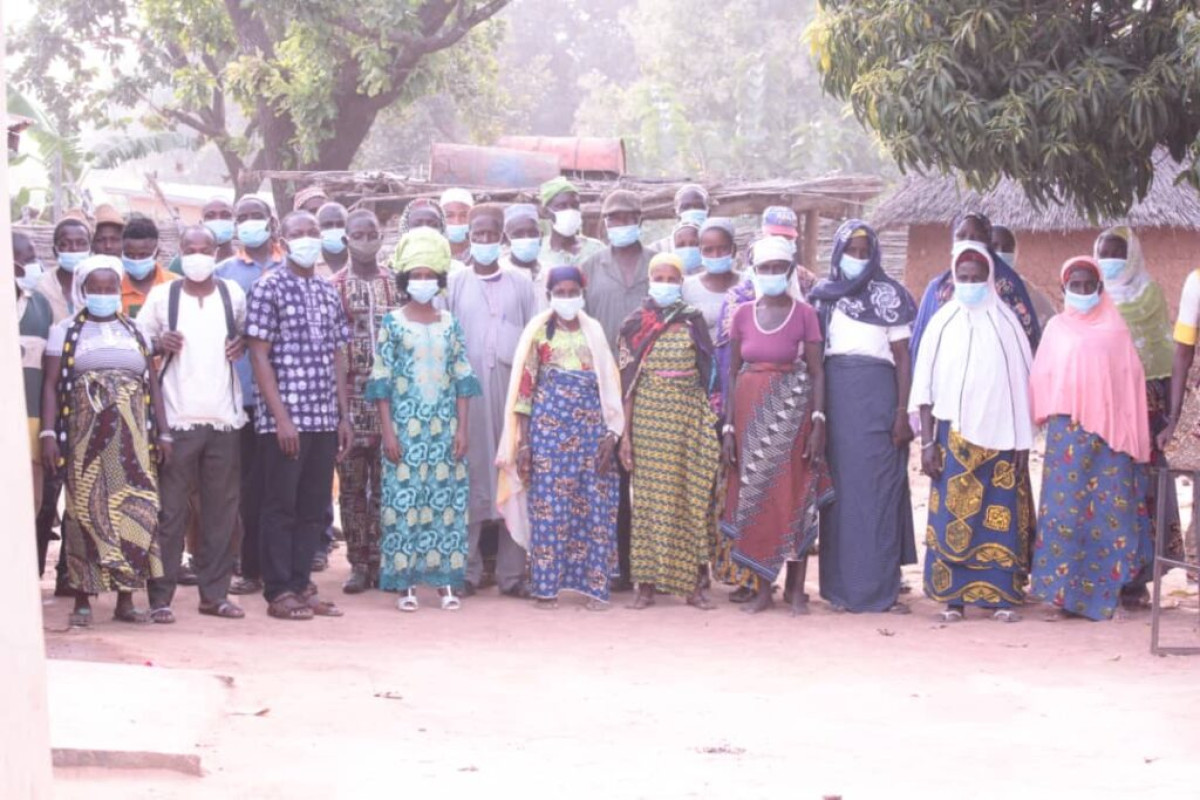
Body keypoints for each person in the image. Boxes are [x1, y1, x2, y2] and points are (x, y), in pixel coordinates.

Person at [909, 242, 1035, 623]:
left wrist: (1024, 443)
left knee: (1000, 518)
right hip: (952, 440)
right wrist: (928, 442)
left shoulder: (1007, 324)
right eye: (962, 278)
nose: (970, 284)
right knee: (952, 520)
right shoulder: (941, 322)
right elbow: (924, 388)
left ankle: (1000, 599)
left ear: (990, 279)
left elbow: (1023, 386)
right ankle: (954, 600)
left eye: (977, 278)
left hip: (1001, 441)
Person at [40, 255, 167, 627]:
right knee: (84, 515)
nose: (103, 294)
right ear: (83, 290)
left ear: (118, 289)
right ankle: (82, 597)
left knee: (133, 514)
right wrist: (48, 433)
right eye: (94, 288)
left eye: (109, 288)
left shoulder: (136, 330)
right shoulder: (64, 331)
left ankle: (126, 599)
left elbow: (153, 385)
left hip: (134, 441)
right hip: (85, 441)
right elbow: (50, 385)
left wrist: (164, 431)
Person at [1029, 256, 1153, 621]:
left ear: (1099, 288)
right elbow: (1042, 377)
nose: (1082, 291)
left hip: (1111, 440)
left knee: (1110, 515)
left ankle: (1110, 593)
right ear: (1065, 288)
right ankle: (1064, 597)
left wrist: (1127, 433)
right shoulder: (1056, 329)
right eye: (1075, 285)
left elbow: (1131, 384)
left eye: (1088, 285)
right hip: (1068, 437)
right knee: (1067, 516)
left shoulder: (1116, 330)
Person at [495, 264, 624, 610]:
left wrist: (612, 434)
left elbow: (609, 383)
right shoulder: (538, 332)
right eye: (560, 293)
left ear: (582, 293)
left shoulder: (593, 331)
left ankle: (594, 588)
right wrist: (523, 443)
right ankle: (546, 587)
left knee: (595, 506)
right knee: (549, 507)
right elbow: (524, 391)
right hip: (548, 433)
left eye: (572, 292)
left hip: (592, 432)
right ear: (550, 295)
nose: (567, 298)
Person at [245, 210, 352, 621]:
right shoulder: (268, 286)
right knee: (280, 506)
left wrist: (343, 415)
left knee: (313, 506)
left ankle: (301, 582)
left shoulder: (327, 290)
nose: (307, 239)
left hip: (324, 418)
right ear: (283, 240)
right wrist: (281, 418)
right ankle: (278, 590)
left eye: (313, 232)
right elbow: (258, 354)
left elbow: (337, 354)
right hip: (284, 420)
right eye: (298, 233)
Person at [137, 226, 247, 622]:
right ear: (179, 253)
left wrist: (243, 344)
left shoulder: (230, 294)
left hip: (224, 419)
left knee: (221, 512)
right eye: (190, 249)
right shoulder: (162, 296)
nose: (198, 255)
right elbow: (139, 345)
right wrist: (157, 344)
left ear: (217, 252)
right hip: (176, 419)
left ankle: (214, 594)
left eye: (205, 249)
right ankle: (161, 598)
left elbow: (245, 336)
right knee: (170, 513)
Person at [370, 228, 481, 612]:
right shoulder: (392, 323)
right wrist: (388, 432)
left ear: (439, 278)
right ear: (404, 279)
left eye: (428, 275)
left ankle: (447, 583)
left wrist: (463, 428)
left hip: (445, 430)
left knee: (446, 505)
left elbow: (463, 378)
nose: (422, 282)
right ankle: (406, 584)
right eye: (414, 275)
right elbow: (381, 380)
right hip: (405, 429)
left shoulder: (450, 322)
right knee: (405, 504)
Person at [720, 236, 833, 615]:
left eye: (777, 268)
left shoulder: (805, 315)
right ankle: (763, 589)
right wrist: (729, 429)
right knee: (757, 500)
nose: (770, 275)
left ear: (788, 271)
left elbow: (818, 372)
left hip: (793, 414)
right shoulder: (741, 314)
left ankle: (797, 590)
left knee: (796, 498)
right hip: (750, 416)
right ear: (754, 271)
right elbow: (732, 372)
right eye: (763, 268)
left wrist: (818, 421)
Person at [811, 221, 918, 614]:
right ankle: (840, 591)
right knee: (838, 496)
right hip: (837, 401)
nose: (857, 258)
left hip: (878, 398)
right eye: (851, 251)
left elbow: (904, 358)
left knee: (877, 492)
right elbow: (815, 359)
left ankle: (880, 592)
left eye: (864, 251)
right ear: (837, 252)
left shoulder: (891, 296)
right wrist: (818, 415)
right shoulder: (823, 298)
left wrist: (901, 413)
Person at [617, 252, 720, 610]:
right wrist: (625, 436)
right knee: (647, 503)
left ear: (681, 282)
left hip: (689, 417)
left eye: (671, 278)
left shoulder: (693, 321)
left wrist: (706, 419)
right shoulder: (634, 324)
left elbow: (708, 373)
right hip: (649, 421)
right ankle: (645, 585)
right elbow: (627, 383)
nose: (665, 283)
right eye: (658, 277)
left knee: (692, 500)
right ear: (649, 281)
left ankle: (692, 585)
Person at [448, 204, 537, 598]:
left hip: (510, 395)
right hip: (467, 398)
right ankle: (466, 571)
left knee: (513, 475)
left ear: (502, 238)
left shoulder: (521, 283)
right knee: (467, 478)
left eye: (490, 234)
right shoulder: (456, 283)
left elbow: (535, 341)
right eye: (477, 234)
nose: (484, 241)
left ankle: (512, 574)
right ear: (468, 235)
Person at [1092, 226, 1181, 607]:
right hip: (1101, 407)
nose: (1110, 260)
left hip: (1145, 407)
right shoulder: (1088, 297)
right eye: (1105, 252)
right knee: (1105, 487)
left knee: (1144, 491)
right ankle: (1100, 576)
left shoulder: (1150, 295)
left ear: (1131, 257)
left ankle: (1140, 580)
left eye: (1118, 253)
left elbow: (1162, 354)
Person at [581, 189, 654, 591]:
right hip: (602, 387)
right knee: (608, 478)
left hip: (650, 384)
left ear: (641, 218)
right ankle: (611, 565)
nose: (621, 223)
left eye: (628, 216)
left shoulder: (656, 265)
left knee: (646, 476)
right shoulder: (590, 267)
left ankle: (646, 568)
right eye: (613, 217)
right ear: (603, 222)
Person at [329, 209, 402, 594]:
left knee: (388, 485)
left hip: (392, 403)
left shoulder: (396, 283)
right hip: (354, 400)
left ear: (382, 234)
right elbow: (334, 353)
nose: (365, 238)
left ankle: (385, 559)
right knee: (354, 486)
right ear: (346, 240)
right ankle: (358, 563)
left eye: (371, 231)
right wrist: (342, 411)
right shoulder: (335, 285)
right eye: (357, 233)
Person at [217, 196, 285, 596]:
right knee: (248, 486)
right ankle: (250, 566)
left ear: (271, 222)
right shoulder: (225, 273)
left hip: (286, 397)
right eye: (241, 217)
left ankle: (281, 564)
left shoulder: (289, 266)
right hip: (242, 395)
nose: (248, 223)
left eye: (255, 216)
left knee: (279, 483)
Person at [910, 211, 1041, 362]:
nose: (969, 242)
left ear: (988, 243)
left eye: (978, 237)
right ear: (953, 240)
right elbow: (921, 344)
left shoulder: (1009, 287)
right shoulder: (937, 289)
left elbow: (1029, 342)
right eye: (962, 236)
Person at [15, 233, 54, 573]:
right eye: (27, 259)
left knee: (30, 506)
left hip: (30, 423)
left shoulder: (41, 305)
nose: (33, 265)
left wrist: (47, 430)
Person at [683, 218, 740, 345]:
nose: (716, 255)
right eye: (708, 250)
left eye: (723, 248)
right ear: (700, 251)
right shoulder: (687, 288)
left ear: (733, 249)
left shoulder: (748, 284)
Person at [991, 225, 1056, 328]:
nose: (1001, 252)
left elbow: (1049, 326)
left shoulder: (1027, 291)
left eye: (1007, 248)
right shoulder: (973, 288)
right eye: (994, 247)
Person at [539, 177, 605, 270]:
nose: (570, 211)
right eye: (562, 206)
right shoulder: (538, 251)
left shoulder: (596, 249)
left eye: (575, 205)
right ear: (546, 212)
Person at [121, 216, 178, 317]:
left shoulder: (174, 285)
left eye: (143, 255)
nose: (136, 260)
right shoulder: (113, 287)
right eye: (129, 255)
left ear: (156, 253)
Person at [38, 217, 91, 322]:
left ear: (90, 248)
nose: (74, 248)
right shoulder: (42, 285)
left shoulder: (100, 283)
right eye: (65, 244)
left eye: (81, 243)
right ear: (55, 251)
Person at [169, 197, 238, 274]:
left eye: (225, 215)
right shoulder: (182, 262)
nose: (218, 220)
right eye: (210, 216)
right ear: (202, 223)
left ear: (234, 222)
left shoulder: (245, 262)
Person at [648, 184, 711, 253]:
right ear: (675, 213)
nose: (692, 210)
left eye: (699, 206)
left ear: (709, 212)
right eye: (686, 207)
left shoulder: (719, 247)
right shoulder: (657, 250)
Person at [500, 203, 544, 283]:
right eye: (517, 235)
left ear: (541, 236)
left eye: (533, 233)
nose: (527, 239)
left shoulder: (549, 272)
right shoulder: (499, 274)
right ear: (506, 238)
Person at [316, 202, 350, 277]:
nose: (334, 229)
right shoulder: (309, 264)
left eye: (340, 224)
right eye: (327, 225)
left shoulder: (361, 261)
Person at [440, 188, 474, 262]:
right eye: (449, 216)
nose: (457, 222)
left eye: (464, 215)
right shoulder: (433, 252)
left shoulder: (481, 253)